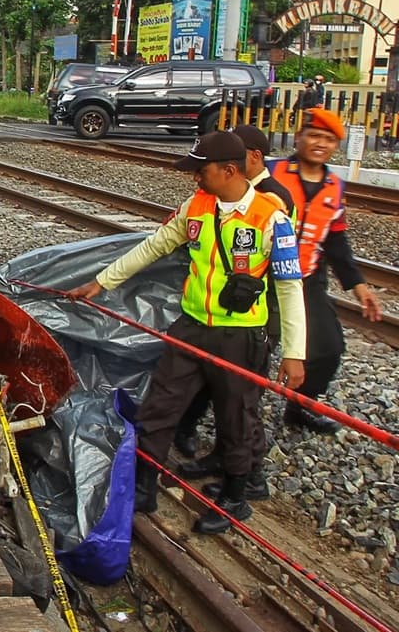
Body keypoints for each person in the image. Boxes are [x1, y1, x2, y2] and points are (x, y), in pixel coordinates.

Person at [68, 132, 306, 534]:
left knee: (236, 417)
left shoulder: (271, 218)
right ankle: (144, 485)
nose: (195, 177)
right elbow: (153, 246)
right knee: (160, 406)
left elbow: (289, 286)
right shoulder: (195, 207)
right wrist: (102, 281)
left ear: (229, 171)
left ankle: (234, 498)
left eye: (201, 170)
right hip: (191, 328)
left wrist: (294, 352)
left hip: (240, 335)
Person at [173, 124, 297, 490]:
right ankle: (224, 460)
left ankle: (248, 479)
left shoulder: (272, 200)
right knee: (225, 397)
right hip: (225, 315)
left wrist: (291, 346)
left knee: (242, 404)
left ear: (249, 157)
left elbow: (284, 277)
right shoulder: (222, 196)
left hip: (256, 315)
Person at [269, 109, 383, 433]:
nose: (320, 143)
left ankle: (299, 406)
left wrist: (357, 285)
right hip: (262, 278)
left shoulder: (334, 186)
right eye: (314, 135)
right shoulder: (272, 172)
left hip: (307, 278)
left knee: (329, 349)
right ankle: (193, 421)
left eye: (329, 139)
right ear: (298, 138)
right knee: (246, 351)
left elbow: (336, 239)